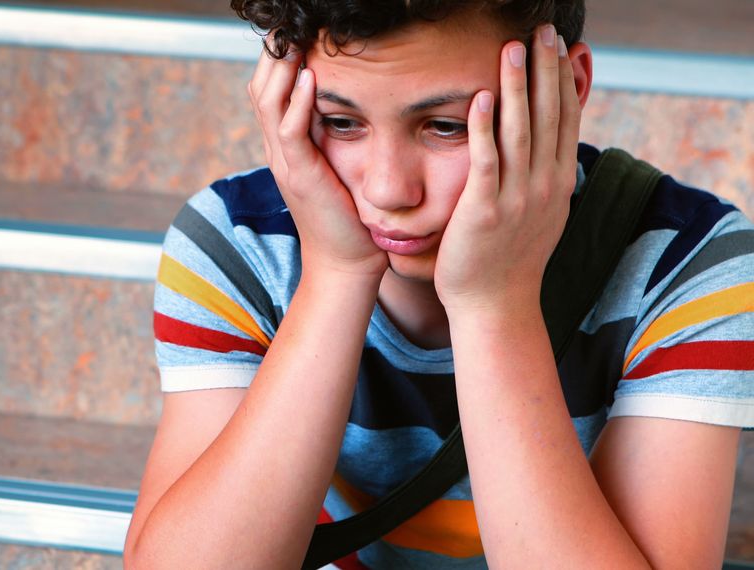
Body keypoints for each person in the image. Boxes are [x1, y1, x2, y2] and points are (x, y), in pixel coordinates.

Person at [123, 1, 754, 567]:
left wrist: (493, 306)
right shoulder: (237, 243)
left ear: (568, 88)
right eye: (341, 122)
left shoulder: (691, 259)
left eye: (446, 126)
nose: (388, 190)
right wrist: (337, 277)